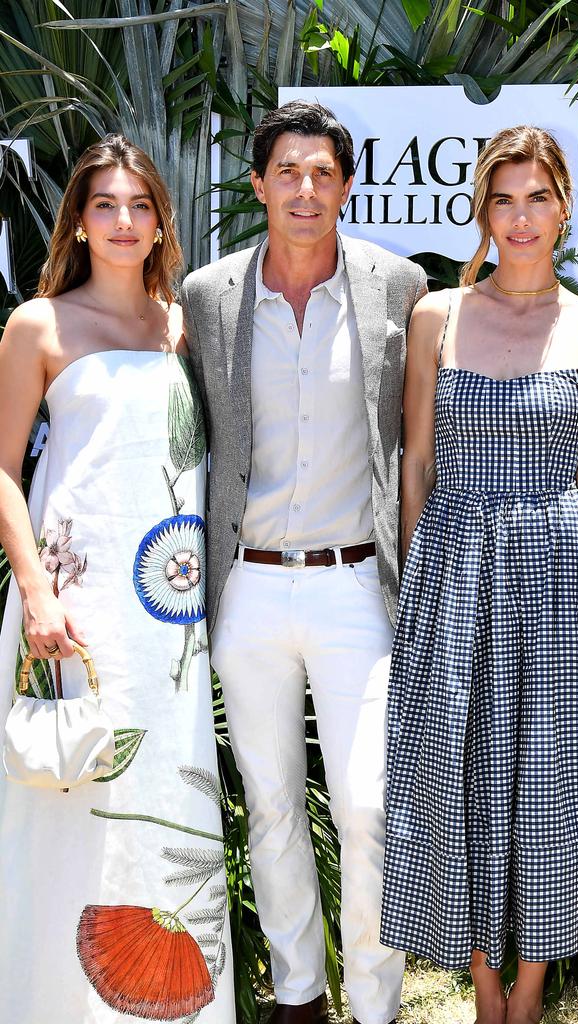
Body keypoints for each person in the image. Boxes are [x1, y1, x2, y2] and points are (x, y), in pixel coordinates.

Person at [180, 101, 426, 1024]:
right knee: (273, 801)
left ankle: (377, 1005)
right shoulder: (209, 297)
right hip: (245, 585)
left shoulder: (395, 286)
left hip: (357, 582)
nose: (306, 189)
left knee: (365, 805)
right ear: (258, 185)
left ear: (347, 184)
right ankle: (297, 996)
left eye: (323, 172)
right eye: (288, 172)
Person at [379, 125, 578, 1024]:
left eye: (537, 198)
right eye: (503, 199)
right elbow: (416, 462)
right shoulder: (436, 316)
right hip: (453, 563)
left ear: (565, 207)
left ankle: (529, 990)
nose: (521, 218)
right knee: (459, 769)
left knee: (550, 772)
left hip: (562, 571)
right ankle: (484, 984)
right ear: (481, 210)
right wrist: (416, 584)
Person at [0, 136, 235, 1023]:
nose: (124, 221)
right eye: (106, 204)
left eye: (140, 205)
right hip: (76, 602)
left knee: (162, 792)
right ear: (79, 220)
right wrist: (35, 593)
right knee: (71, 794)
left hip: (168, 620)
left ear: (161, 220)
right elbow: (2, 470)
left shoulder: (181, 327)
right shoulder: (38, 326)